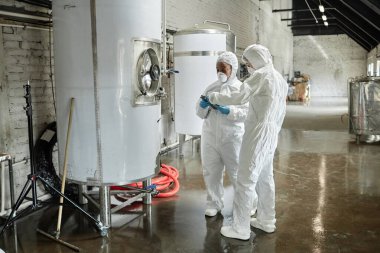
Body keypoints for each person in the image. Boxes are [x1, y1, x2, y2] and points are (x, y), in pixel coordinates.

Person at [207, 44, 288, 240]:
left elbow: (240, 95)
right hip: (271, 131)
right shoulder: (279, 79)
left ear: (257, 60)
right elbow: (282, 110)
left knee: (245, 178)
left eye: (249, 63)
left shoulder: (261, 75)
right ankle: (267, 220)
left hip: (258, 131)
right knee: (265, 178)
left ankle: (240, 228)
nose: (248, 67)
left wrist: (215, 97)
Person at [196, 52, 248, 217]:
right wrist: (203, 105)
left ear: (232, 68)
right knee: (210, 171)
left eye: (223, 68)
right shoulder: (211, 88)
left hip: (232, 137)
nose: (220, 72)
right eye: (217, 69)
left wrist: (229, 111)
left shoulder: (241, 89)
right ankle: (214, 203)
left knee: (237, 172)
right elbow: (199, 112)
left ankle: (246, 205)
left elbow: (247, 113)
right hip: (210, 136)